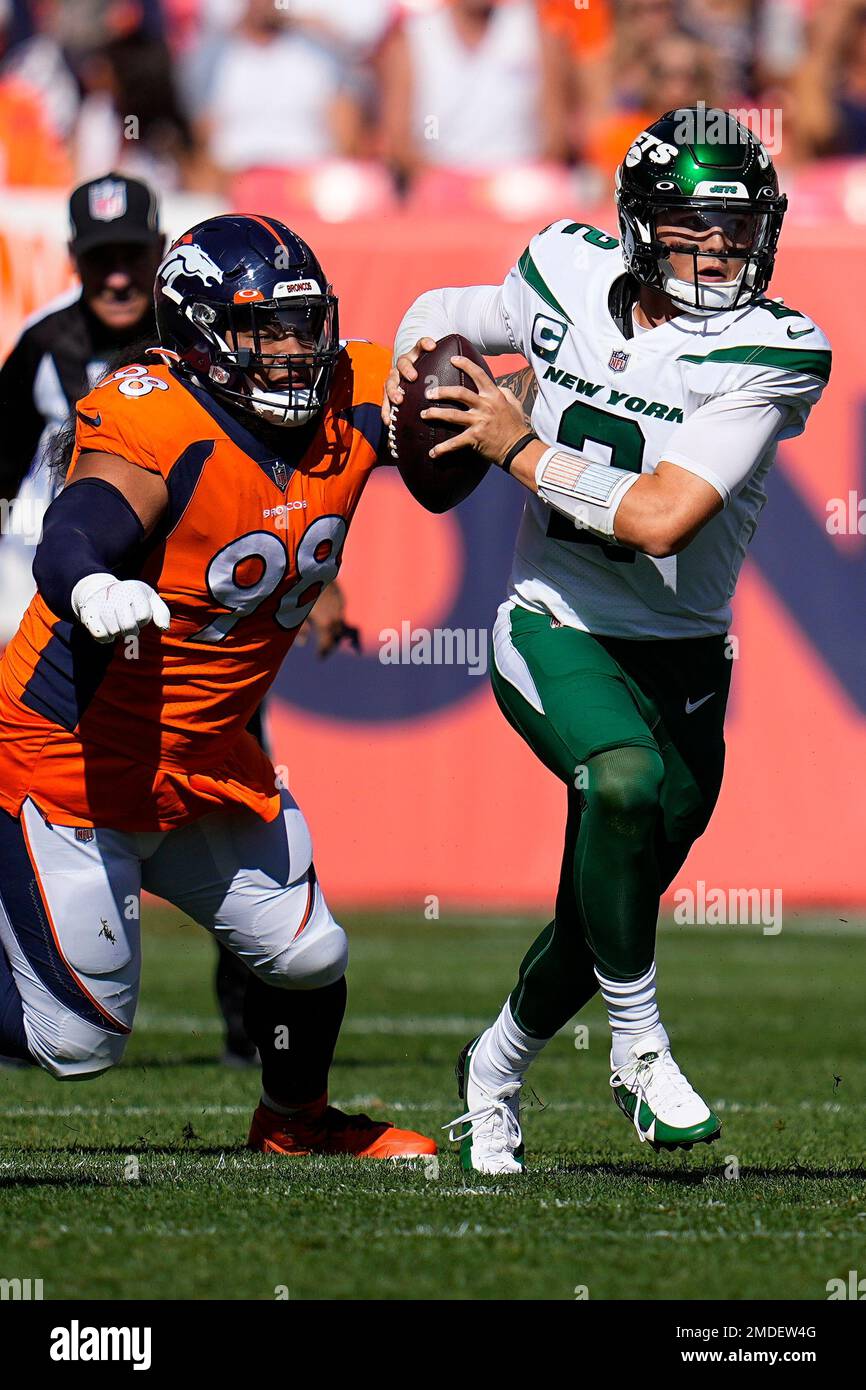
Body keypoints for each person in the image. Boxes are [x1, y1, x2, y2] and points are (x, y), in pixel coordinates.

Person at [385, 108, 831, 1172]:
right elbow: (432, 317)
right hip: (555, 624)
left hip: (684, 660)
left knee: (598, 916)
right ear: (636, 225)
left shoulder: (767, 350)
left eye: (737, 229)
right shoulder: (558, 271)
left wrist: (517, 442)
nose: (720, 250)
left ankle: (491, 1066)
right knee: (621, 783)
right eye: (691, 225)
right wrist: (425, 401)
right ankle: (639, 1051)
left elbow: (659, 516)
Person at [0, 211, 435, 1161]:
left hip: (200, 761)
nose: (290, 353)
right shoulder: (154, 412)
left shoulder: (349, 391)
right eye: (261, 331)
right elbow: (81, 523)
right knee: (71, 1043)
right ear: (199, 336)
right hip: (67, 761)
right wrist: (92, 583)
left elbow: (458, 390)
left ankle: (295, 1119)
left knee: (311, 952)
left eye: (301, 326)